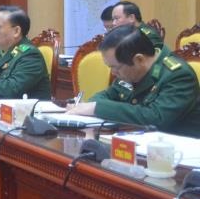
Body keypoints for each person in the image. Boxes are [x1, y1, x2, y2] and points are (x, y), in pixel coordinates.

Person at [67, 25, 200, 137]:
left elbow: (156, 118)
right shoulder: (132, 72)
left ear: (139, 59)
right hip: (138, 141)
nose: (113, 73)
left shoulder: (178, 75)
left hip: (177, 152)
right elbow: (105, 96)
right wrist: (93, 105)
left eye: (115, 67)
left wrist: (97, 108)